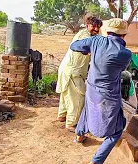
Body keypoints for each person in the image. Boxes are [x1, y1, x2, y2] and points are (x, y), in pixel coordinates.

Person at [70, 18, 132, 164]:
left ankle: (79, 136)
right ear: (123, 35)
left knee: (87, 111)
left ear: (108, 31)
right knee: (117, 130)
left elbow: (74, 46)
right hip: (109, 95)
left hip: (91, 89)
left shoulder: (96, 41)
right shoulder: (126, 54)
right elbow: (122, 70)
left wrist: (89, 50)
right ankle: (96, 161)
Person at [56, 16, 103, 131]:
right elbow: (87, 48)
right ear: (87, 25)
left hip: (67, 68)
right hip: (73, 72)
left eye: (98, 27)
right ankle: (72, 124)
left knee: (66, 93)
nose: (96, 29)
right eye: (93, 26)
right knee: (78, 98)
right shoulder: (85, 36)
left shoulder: (87, 35)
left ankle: (62, 116)